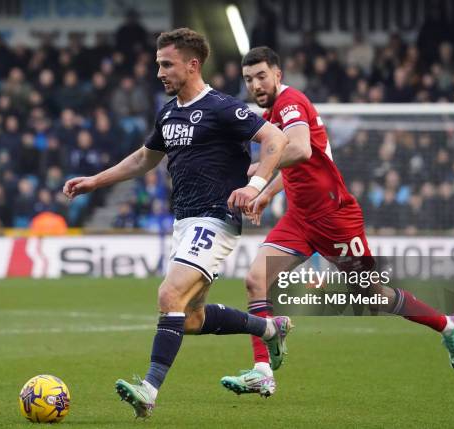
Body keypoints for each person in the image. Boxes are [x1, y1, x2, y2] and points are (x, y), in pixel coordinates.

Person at [63, 29, 291, 418]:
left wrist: (254, 186)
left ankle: (148, 389)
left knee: (169, 296)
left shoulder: (221, 107)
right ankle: (270, 329)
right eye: (158, 64)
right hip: (184, 222)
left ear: (193, 64)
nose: (159, 72)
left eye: (166, 64)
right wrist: (95, 181)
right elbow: (143, 159)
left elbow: (275, 139)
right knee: (190, 318)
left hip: (216, 218)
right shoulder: (168, 113)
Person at [220, 47, 454, 397]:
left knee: (372, 296)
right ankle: (262, 370)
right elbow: (298, 162)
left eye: (262, 75)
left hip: (335, 219)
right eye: (249, 79)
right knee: (254, 279)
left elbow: (301, 149)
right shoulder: (272, 112)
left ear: (278, 74)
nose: (256, 84)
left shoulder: (291, 102)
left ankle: (447, 324)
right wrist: (269, 193)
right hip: (300, 218)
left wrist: (255, 179)